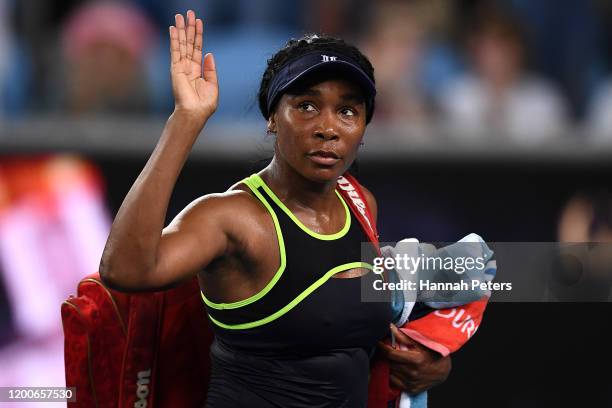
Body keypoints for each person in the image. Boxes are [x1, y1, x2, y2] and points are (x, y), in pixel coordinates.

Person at [99, 10, 450, 407]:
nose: (328, 127)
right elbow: (124, 268)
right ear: (272, 118)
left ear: (365, 127)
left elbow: (349, 328)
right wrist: (185, 121)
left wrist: (425, 363)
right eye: (306, 106)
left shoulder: (359, 201)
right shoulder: (233, 218)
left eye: (348, 111)